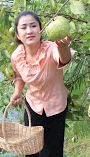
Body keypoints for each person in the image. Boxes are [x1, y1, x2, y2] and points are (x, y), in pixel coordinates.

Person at [10, 10, 74, 157]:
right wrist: (18, 92)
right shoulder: (17, 55)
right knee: (30, 150)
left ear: (40, 29)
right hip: (33, 106)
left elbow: (64, 59)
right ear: (18, 35)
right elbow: (18, 76)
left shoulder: (51, 48)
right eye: (24, 27)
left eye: (33, 26)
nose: (29, 31)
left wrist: (63, 46)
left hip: (56, 106)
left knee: (52, 152)